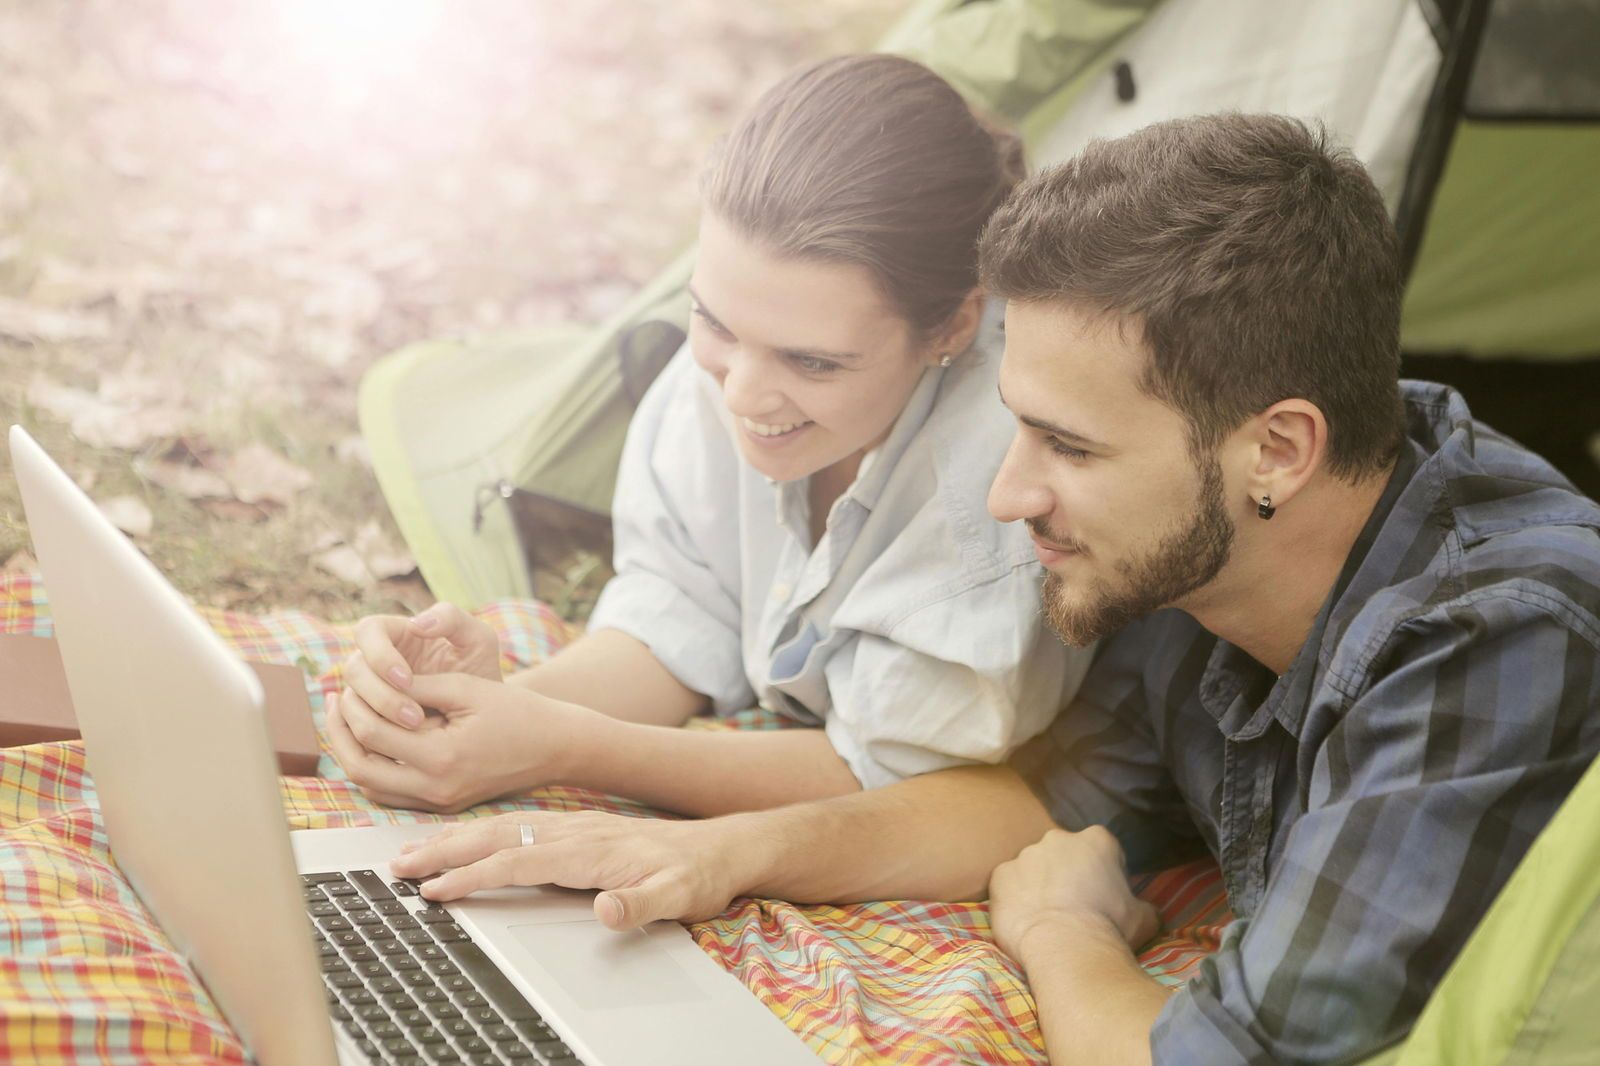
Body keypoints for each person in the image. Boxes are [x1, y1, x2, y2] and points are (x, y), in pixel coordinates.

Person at [386, 113, 1600, 1064]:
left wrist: (1063, 933)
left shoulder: (1492, 639)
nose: (1010, 494)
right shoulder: (1215, 548)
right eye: (1016, 427)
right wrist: (711, 856)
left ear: (1277, 450)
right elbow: (1034, 804)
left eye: (1067, 446)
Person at [326, 54, 1089, 818]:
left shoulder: (1002, 502)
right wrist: (495, 705)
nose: (741, 394)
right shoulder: (732, 364)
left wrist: (563, 745)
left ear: (953, 326)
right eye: (714, 322)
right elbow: (684, 614)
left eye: (811, 361)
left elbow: (883, 780)